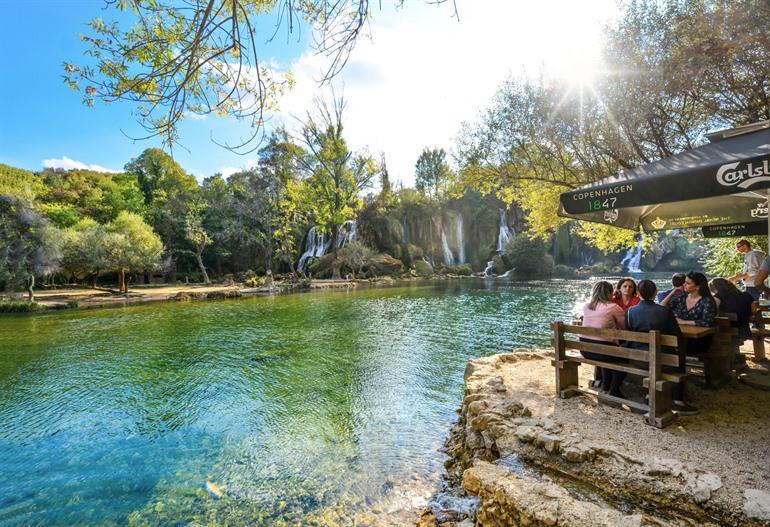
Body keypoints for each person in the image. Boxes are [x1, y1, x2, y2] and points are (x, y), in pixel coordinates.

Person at [626, 280, 696, 414]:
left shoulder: (630, 312)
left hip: (638, 360)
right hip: (664, 362)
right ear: (655, 293)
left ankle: (649, 394)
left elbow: (629, 336)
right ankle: (678, 401)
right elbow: (677, 337)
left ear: (638, 293)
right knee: (679, 360)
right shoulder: (665, 311)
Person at [581, 281, 627, 396]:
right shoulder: (613, 307)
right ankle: (614, 389)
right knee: (626, 357)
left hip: (586, 350)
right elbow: (625, 327)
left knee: (605, 349)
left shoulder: (586, 306)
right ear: (610, 293)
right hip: (603, 352)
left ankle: (606, 384)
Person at [709, 277, 754, 345]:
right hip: (744, 331)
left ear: (715, 288)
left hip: (728, 333)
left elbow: (710, 311)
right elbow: (753, 311)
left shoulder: (718, 296)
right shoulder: (746, 295)